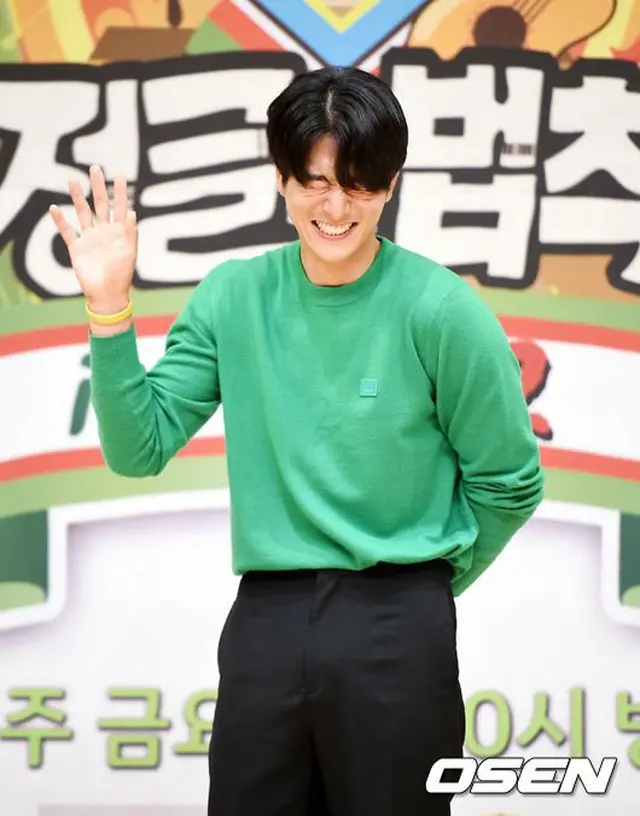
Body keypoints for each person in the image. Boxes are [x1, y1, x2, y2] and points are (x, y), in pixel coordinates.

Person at [50, 66, 544, 816]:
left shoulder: (442, 310)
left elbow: (509, 482)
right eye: (314, 183)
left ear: (391, 184)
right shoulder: (233, 296)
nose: (336, 208)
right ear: (280, 179)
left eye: (360, 185)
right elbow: (137, 448)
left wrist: (424, 586)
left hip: (398, 623)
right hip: (266, 624)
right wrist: (109, 305)